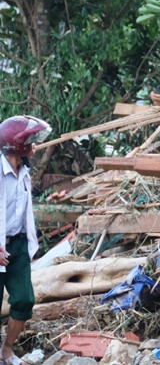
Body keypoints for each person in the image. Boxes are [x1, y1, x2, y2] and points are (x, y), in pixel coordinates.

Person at [0, 115, 50, 365]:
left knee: (23, 300)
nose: (34, 146)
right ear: (16, 145)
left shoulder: (24, 171)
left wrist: (30, 245)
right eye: (30, 141)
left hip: (17, 243)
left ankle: (7, 350)